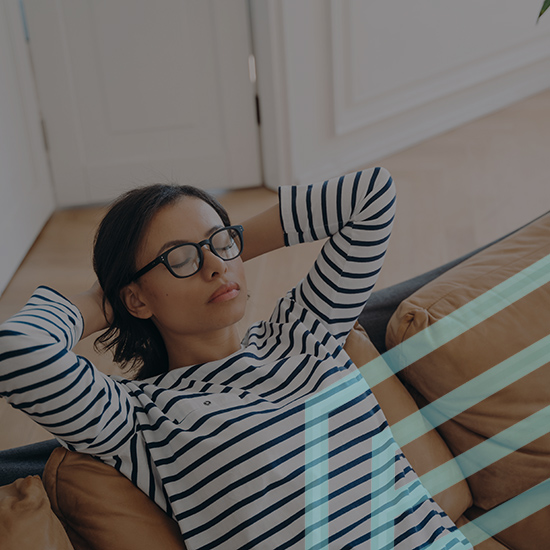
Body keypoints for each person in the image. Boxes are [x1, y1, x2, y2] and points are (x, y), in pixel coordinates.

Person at [0, 168, 471, 549]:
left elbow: (371, 196)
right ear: (137, 300)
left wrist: (226, 246)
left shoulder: (304, 333)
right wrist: (109, 300)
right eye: (179, 259)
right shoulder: (137, 418)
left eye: (222, 243)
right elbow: (17, 352)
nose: (215, 267)